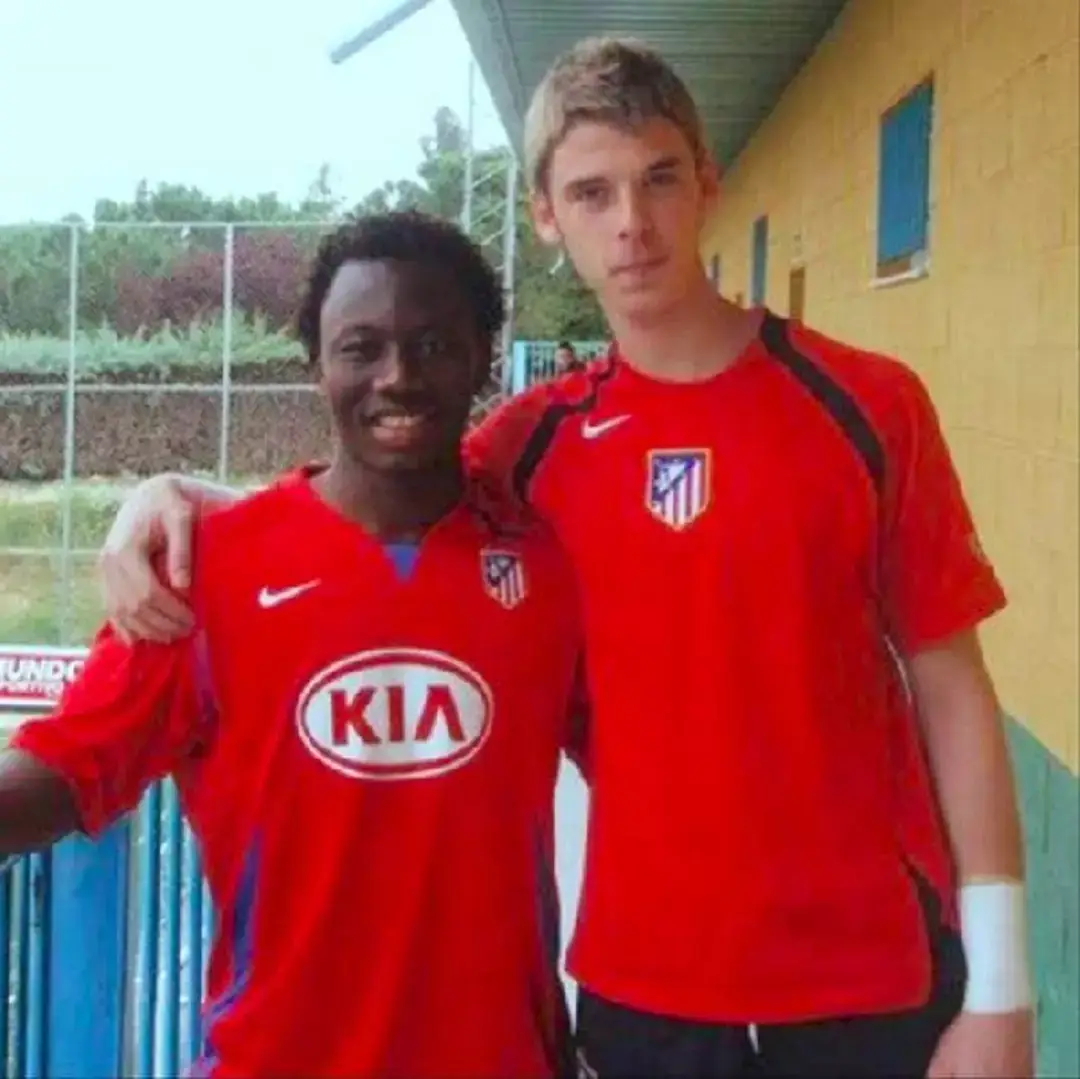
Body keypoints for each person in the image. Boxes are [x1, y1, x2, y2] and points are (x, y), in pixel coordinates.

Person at [94, 38, 1034, 1079]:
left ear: (707, 179)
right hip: (644, 996)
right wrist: (175, 497)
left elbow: (954, 687)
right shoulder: (530, 448)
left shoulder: (869, 404)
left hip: (876, 979)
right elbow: (369, 509)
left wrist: (1002, 989)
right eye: (592, 192)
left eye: (658, 177)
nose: (632, 222)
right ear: (546, 214)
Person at [0, 212, 585, 1079]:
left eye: (432, 345)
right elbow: (64, 769)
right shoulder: (206, 573)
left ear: (482, 359)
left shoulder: (550, 563)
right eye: (361, 347)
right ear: (317, 365)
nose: (397, 377)